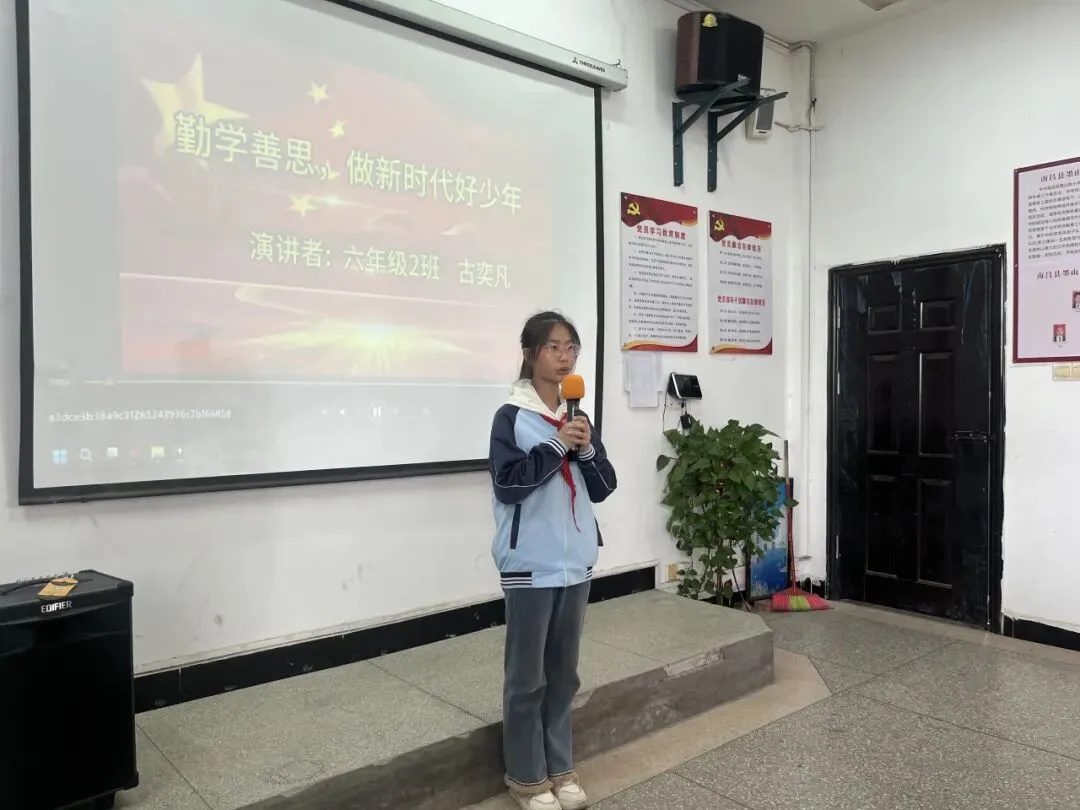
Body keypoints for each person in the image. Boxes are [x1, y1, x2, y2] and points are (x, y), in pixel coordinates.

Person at [488, 312, 617, 810]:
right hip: (530, 564)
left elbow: (603, 487)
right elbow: (508, 483)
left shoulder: (576, 416)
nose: (565, 357)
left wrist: (584, 450)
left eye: (572, 348)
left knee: (564, 675)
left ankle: (560, 768)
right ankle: (526, 778)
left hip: (575, 563)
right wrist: (556, 445)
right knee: (527, 679)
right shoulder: (510, 416)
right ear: (529, 353)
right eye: (554, 347)